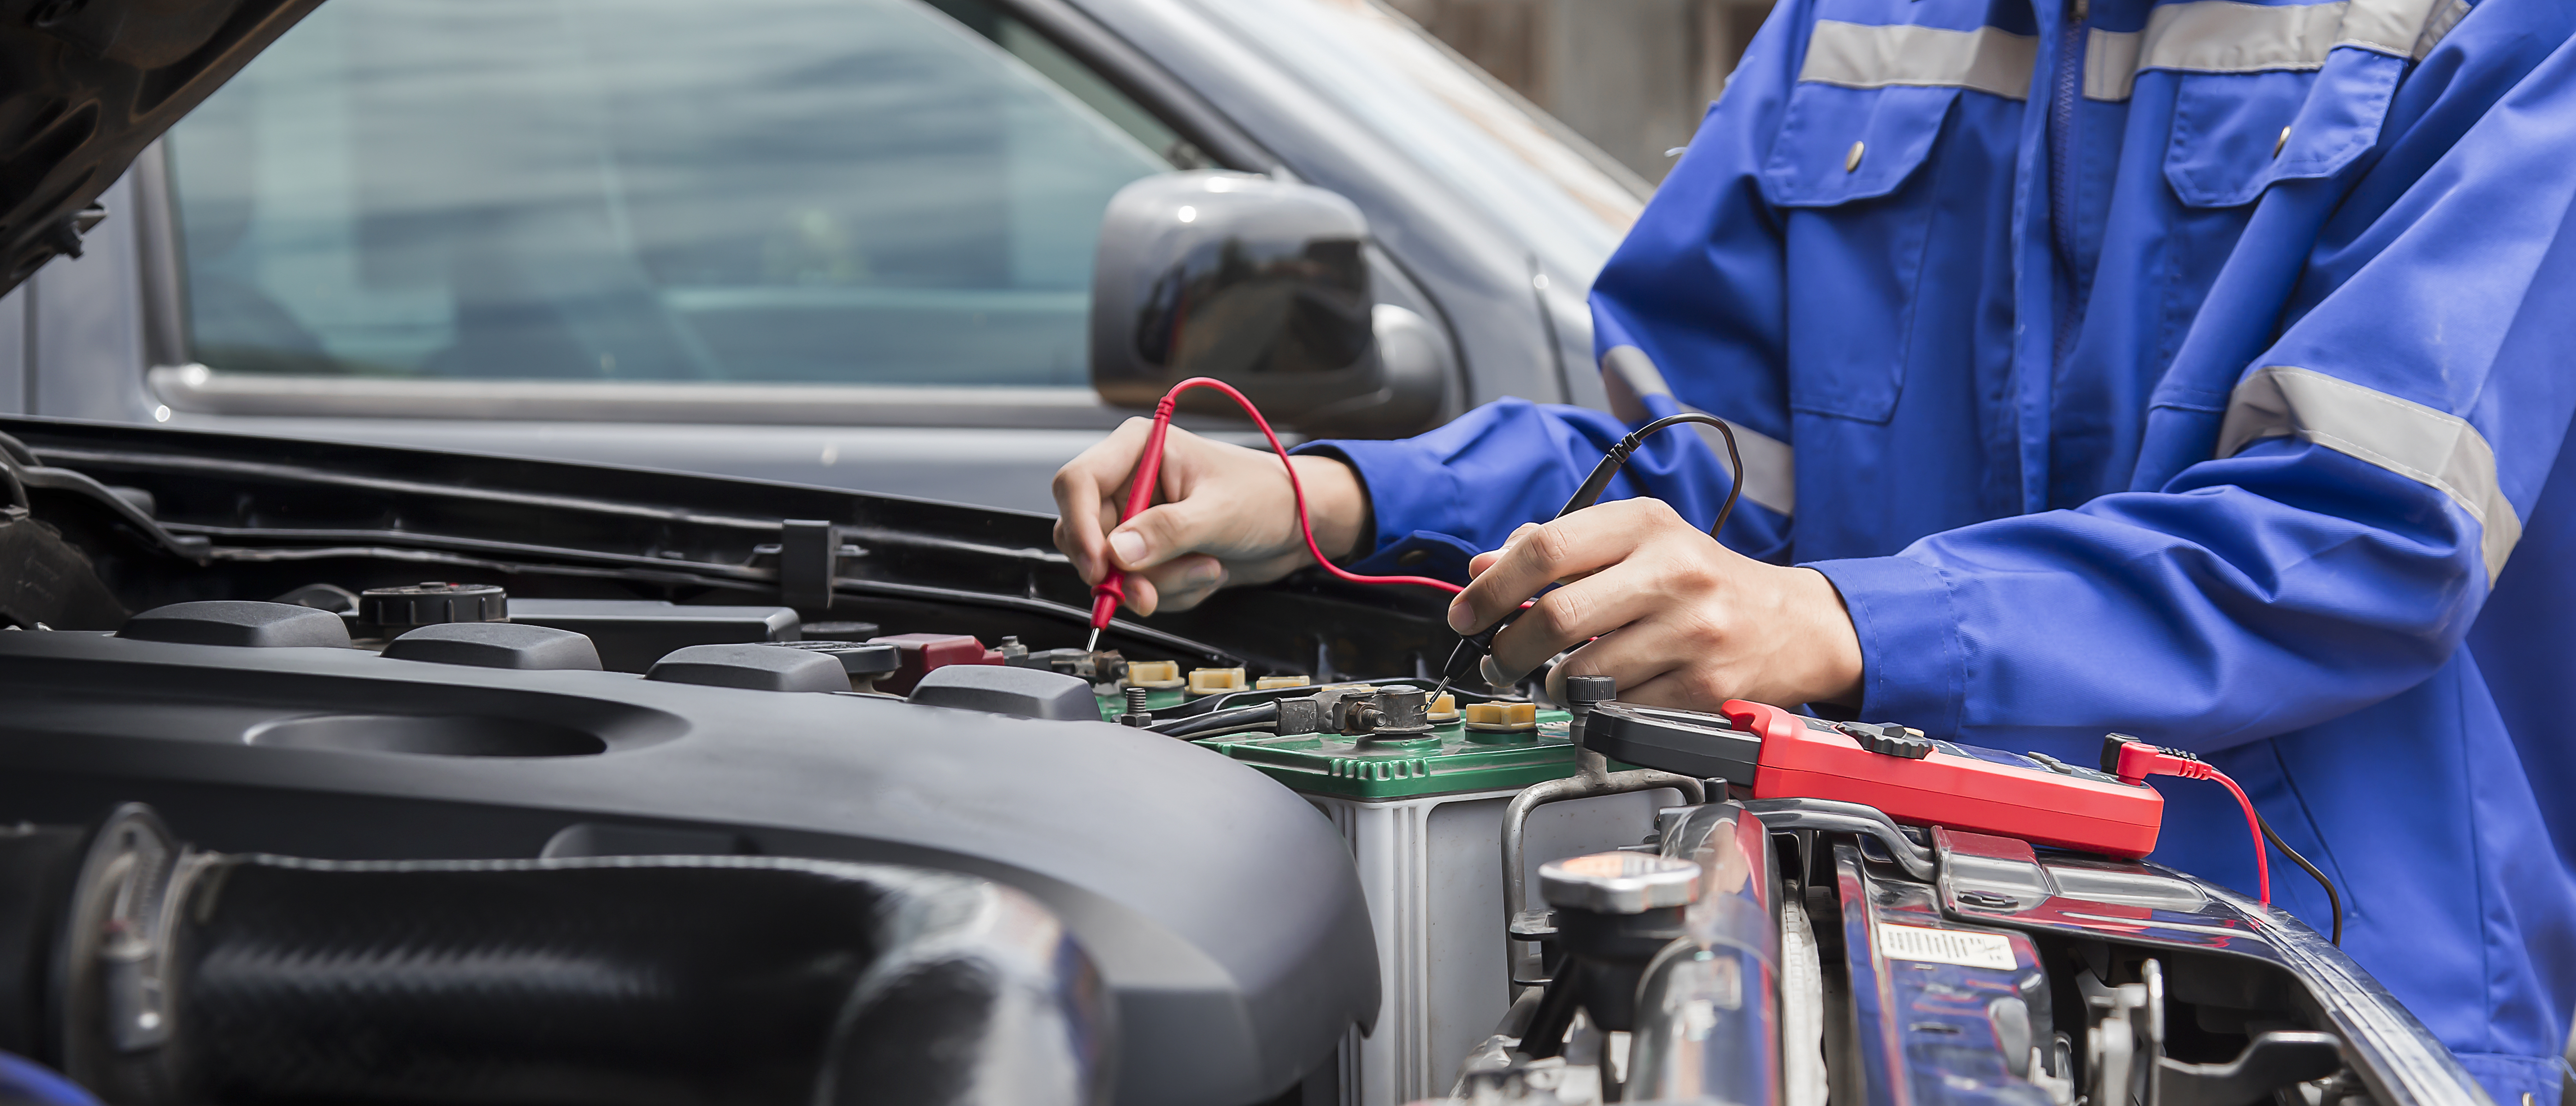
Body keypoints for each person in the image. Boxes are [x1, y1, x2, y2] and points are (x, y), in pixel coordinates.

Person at [1054, 0, 2576, 1097]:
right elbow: (1705, 470)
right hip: (1864, 963)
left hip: (2302, 1003)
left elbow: (2364, 527)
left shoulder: (2494, 23)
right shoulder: (1856, 23)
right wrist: (1339, 497)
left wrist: (1840, 621)